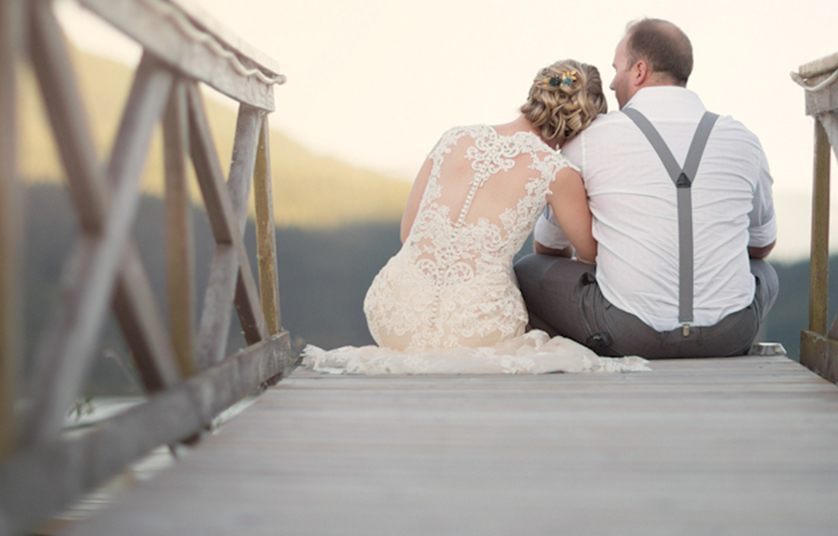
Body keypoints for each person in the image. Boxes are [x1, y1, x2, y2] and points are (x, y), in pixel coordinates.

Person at [302, 60, 648, 375]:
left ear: (535, 92)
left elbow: (408, 234)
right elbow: (590, 254)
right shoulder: (557, 171)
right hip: (476, 323)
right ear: (581, 122)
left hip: (394, 309)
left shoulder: (454, 137)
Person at [514, 19, 779, 359]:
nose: (611, 83)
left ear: (639, 71)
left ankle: (578, 352)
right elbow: (761, 246)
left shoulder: (589, 139)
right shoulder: (744, 139)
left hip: (630, 333)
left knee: (528, 269)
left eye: (616, 68)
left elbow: (550, 245)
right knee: (763, 273)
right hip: (730, 335)